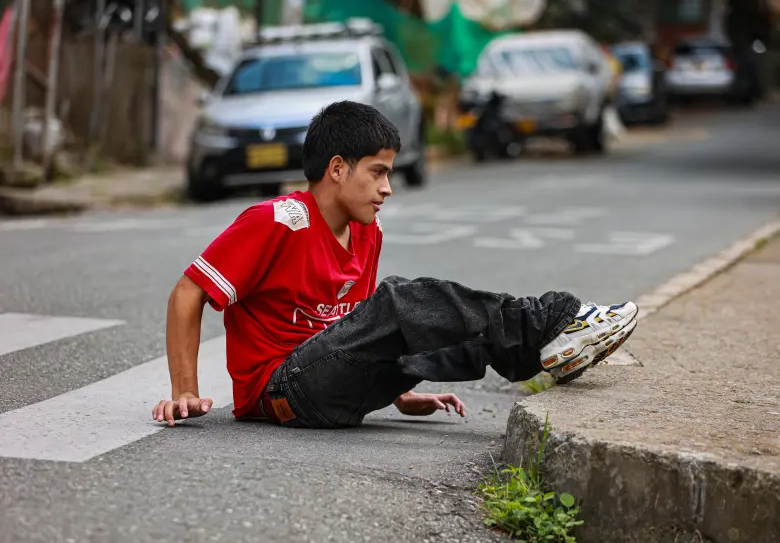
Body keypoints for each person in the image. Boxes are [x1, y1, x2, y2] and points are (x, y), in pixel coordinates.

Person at [153, 101, 638, 428]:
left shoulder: (369, 230)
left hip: (335, 381)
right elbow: (188, 292)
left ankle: (548, 352)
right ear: (338, 168)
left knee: (446, 330)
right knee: (401, 299)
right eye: (378, 172)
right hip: (281, 390)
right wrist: (185, 391)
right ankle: (553, 319)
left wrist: (402, 393)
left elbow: (361, 328)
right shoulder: (280, 220)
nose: (387, 188)